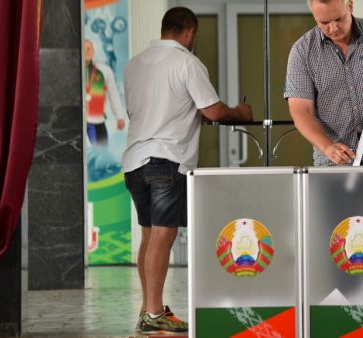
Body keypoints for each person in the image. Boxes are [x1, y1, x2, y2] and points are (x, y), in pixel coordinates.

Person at [122, 7, 253, 334]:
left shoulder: (134, 64)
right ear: (190, 32)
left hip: (134, 160)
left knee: (149, 235)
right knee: (163, 236)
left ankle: (147, 309)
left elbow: (151, 109)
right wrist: (240, 112)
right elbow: (213, 109)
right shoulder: (186, 62)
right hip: (166, 159)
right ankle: (154, 315)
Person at [284, 0, 363, 166]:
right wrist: (327, 147)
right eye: (324, 22)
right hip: (332, 164)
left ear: (350, 5)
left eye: (338, 19)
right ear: (314, 16)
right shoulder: (302, 52)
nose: (333, 28)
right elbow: (301, 110)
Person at [85, 39, 126, 146]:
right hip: (78, 121)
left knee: (101, 154)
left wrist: (120, 116)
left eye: (89, 48)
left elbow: (113, 94)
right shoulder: (74, 69)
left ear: (93, 51)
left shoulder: (104, 70)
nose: (86, 51)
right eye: (83, 48)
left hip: (97, 120)